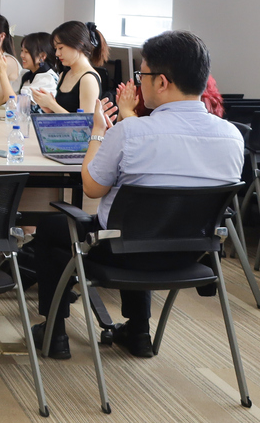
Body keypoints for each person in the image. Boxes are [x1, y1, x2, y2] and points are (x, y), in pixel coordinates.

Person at [31, 31, 243, 359]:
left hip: (122, 255)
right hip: (190, 256)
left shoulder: (131, 132)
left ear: (162, 82)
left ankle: (54, 333)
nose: (139, 82)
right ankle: (139, 331)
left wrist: (98, 132)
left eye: (141, 75)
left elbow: (91, 188)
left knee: (53, 229)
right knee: (146, 225)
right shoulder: (232, 137)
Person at [32, 20, 107, 116]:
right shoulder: (64, 75)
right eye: (56, 49)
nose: (57, 54)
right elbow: (64, 111)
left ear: (79, 44)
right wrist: (50, 109)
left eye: (60, 48)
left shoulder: (88, 79)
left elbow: (85, 122)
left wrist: (52, 104)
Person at [18, 31, 60, 96]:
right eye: (22, 50)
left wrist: (2, 73)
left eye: (26, 52)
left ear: (42, 56)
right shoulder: (27, 75)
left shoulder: (47, 78)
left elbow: (18, 100)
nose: (21, 55)